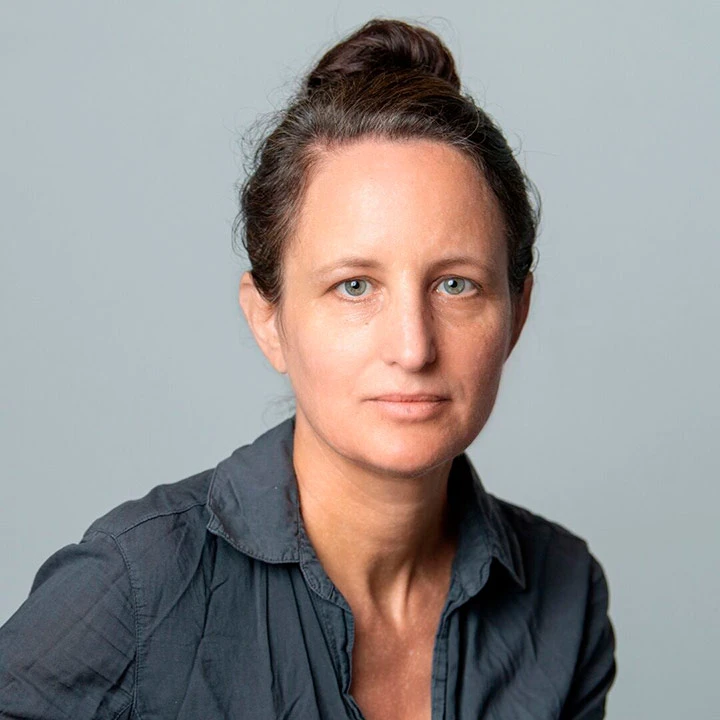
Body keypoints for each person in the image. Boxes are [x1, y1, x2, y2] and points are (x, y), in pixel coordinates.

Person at [0, 18, 616, 720]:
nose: (413, 347)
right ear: (269, 320)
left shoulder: (565, 597)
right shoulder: (136, 586)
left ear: (517, 314)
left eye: (456, 285)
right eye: (354, 286)